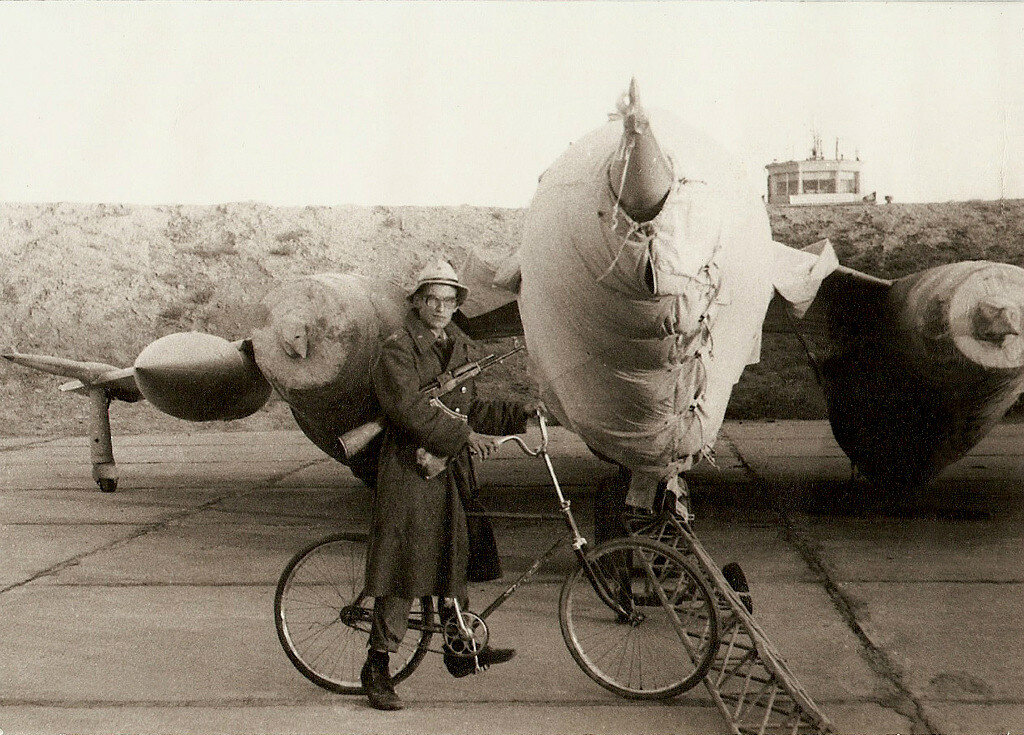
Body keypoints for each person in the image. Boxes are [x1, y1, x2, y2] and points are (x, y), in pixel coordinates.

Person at [361, 259, 536, 711]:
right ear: (417, 303)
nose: (440, 308)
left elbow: (470, 407)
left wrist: (525, 412)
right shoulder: (396, 351)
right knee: (403, 569)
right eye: (431, 299)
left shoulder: (456, 347)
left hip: (447, 471)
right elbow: (408, 410)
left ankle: (460, 648)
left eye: (449, 300)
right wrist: (465, 437)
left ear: (458, 304)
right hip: (408, 471)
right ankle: (377, 668)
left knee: (451, 558)